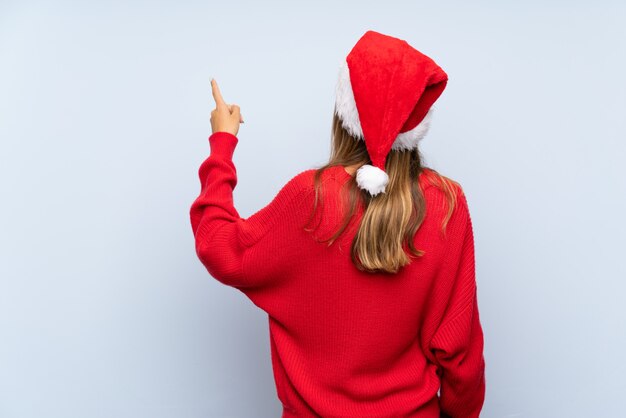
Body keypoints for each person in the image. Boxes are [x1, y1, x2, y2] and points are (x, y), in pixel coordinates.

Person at [190, 30, 486, 418]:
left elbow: (219, 245)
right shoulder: (446, 204)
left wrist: (223, 145)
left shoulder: (309, 199)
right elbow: (458, 350)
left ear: (343, 115)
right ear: (415, 123)